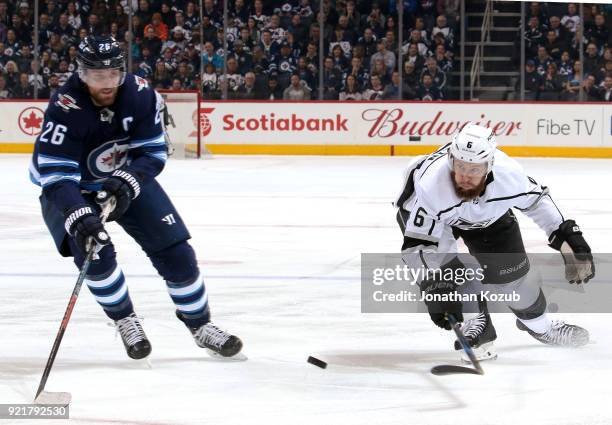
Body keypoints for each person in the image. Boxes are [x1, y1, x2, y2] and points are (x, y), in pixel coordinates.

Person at [29, 36, 242, 361]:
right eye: (98, 76)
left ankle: (200, 325)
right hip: (71, 189)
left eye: (113, 74)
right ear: (82, 73)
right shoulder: (65, 106)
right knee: (96, 257)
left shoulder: (141, 95)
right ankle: (125, 319)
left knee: (176, 252)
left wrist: (126, 182)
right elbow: (56, 176)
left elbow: (154, 153)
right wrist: (79, 215)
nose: (107, 83)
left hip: (124, 178)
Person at [395, 123, 593, 361]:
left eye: (475, 169)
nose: (465, 177)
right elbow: (419, 245)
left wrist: (569, 238)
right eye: (460, 166)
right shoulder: (431, 187)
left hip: (488, 215)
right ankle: (477, 324)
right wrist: (434, 288)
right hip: (437, 218)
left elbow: (538, 202)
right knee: (449, 275)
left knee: (513, 282)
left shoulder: (509, 175)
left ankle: (542, 327)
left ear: (489, 165)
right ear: (451, 160)